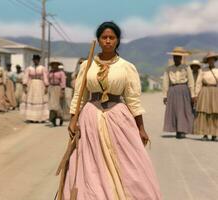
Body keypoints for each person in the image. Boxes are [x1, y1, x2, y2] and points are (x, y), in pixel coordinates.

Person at [63, 22, 161, 199]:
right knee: (91, 163)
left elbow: (133, 99)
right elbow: (80, 96)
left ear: (117, 41)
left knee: (129, 163)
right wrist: (72, 120)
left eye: (112, 37)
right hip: (90, 118)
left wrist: (141, 127)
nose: (108, 41)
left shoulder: (126, 66)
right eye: (104, 37)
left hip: (118, 116)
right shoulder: (87, 65)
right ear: (99, 40)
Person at [163, 47, 195, 139]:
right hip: (173, 90)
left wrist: (192, 95)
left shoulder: (186, 67)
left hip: (184, 89)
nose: (176, 58)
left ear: (181, 58)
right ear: (173, 57)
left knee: (183, 110)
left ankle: (182, 130)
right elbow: (165, 82)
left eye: (178, 57)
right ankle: (176, 129)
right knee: (174, 110)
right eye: (175, 56)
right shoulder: (168, 69)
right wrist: (165, 95)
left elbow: (191, 82)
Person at [194, 52, 218, 141]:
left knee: (215, 113)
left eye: (213, 59)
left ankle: (214, 134)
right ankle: (205, 134)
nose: (211, 61)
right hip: (205, 91)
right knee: (204, 113)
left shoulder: (217, 70)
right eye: (209, 59)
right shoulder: (202, 70)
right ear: (207, 61)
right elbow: (198, 83)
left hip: (215, 92)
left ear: (215, 60)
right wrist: (196, 95)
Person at [20, 55, 49, 123]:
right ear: (33, 60)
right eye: (34, 59)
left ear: (39, 60)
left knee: (39, 99)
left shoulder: (42, 68)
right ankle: (31, 117)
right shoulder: (29, 68)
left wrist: (46, 86)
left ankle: (40, 117)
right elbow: (26, 77)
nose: (35, 61)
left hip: (40, 84)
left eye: (37, 59)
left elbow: (45, 77)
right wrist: (25, 85)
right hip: (31, 85)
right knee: (31, 99)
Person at [48, 60, 66, 126]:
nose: (54, 66)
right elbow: (48, 79)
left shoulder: (61, 73)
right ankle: (53, 119)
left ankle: (60, 118)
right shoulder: (50, 72)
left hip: (58, 88)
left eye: (55, 64)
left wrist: (62, 90)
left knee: (58, 105)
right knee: (52, 105)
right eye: (53, 65)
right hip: (51, 88)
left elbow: (63, 81)